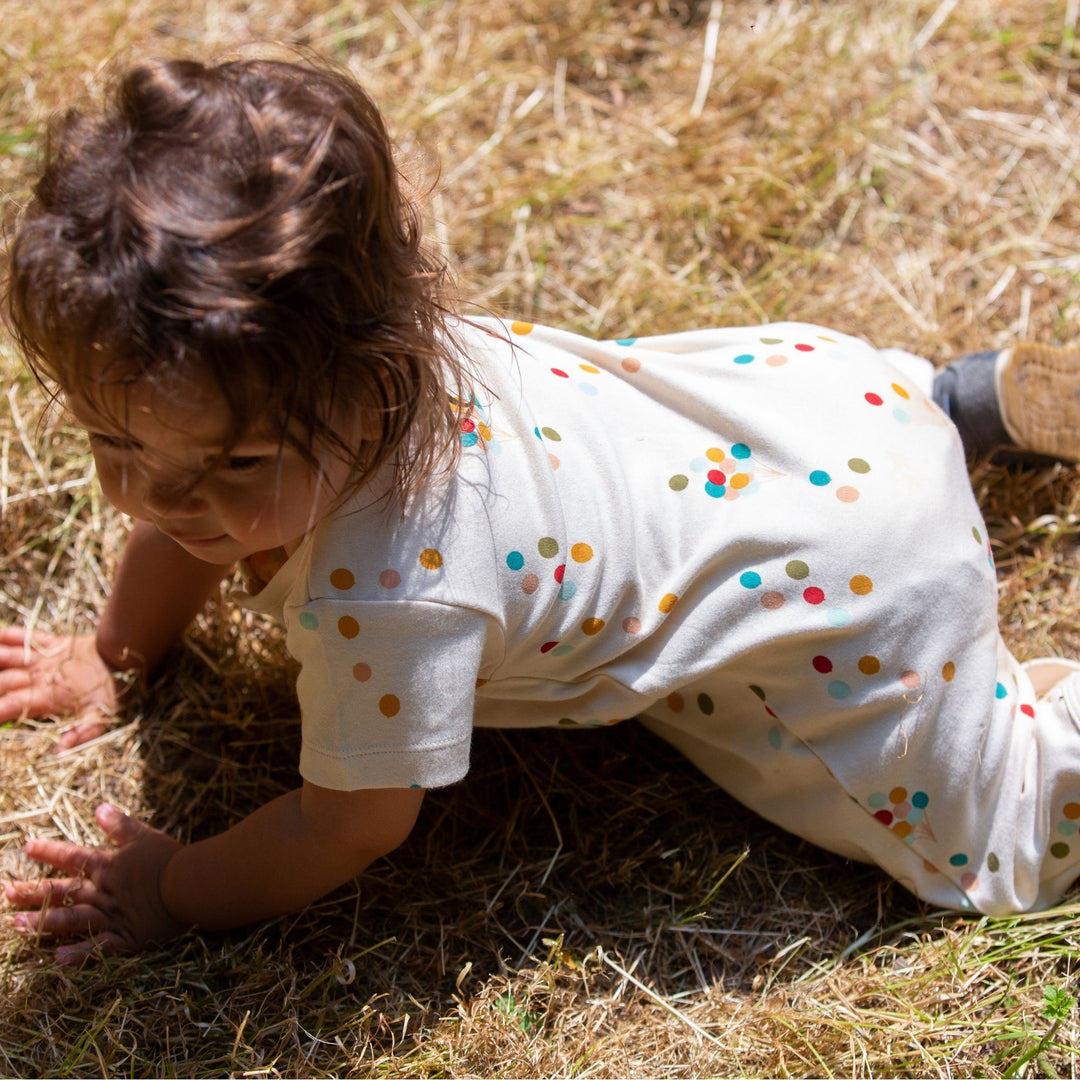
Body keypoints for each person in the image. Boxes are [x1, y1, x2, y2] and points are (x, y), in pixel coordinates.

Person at [3, 55, 1080, 964]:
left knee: (1005, 844)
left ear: (371, 384)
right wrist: (116, 650)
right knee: (756, 430)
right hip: (814, 402)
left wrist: (173, 889)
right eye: (116, 441)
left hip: (853, 582)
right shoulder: (364, 337)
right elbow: (181, 503)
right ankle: (949, 405)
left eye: (234, 464)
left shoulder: (389, 602)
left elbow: (346, 824)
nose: (154, 493)